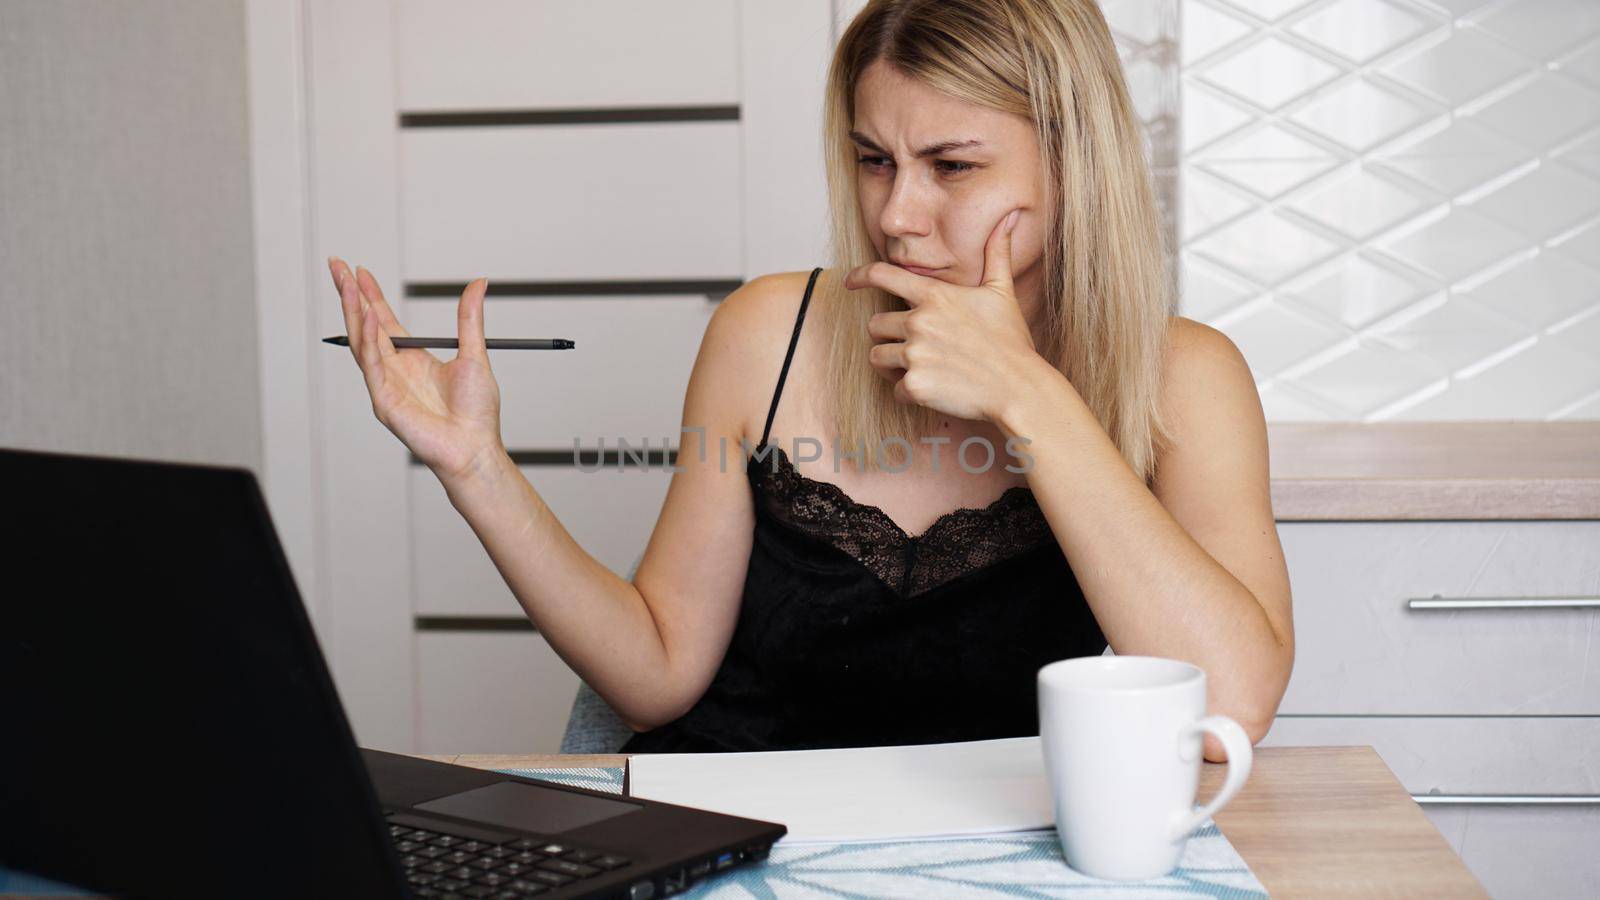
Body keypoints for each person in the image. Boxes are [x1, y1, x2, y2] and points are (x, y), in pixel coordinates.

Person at [328, 0, 1293, 761]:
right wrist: (475, 469)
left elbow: (1233, 704)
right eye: (875, 160)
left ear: (1075, 162)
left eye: (952, 167)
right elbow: (657, 669)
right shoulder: (766, 332)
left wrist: (1026, 394)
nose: (898, 215)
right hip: (733, 827)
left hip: (984, 858)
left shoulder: (1186, 378)